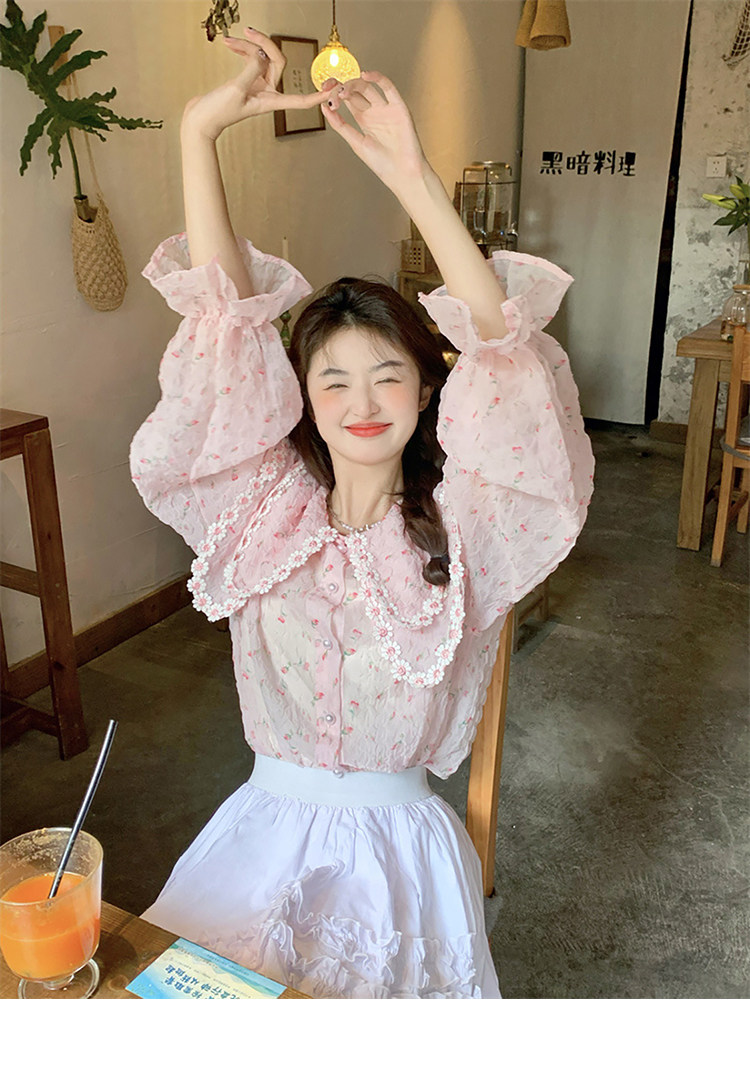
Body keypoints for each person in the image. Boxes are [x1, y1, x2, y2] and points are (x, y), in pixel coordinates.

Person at [130, 28, 594, 999]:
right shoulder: (260, 513)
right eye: (332, 378)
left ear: (427, 391)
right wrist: (197, 135)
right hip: (258, 839)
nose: (363, 400)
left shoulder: (464, 529)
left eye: (389, 373)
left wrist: (416, 179)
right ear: (299, 398)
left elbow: (503, 353)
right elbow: (222, 328)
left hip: (400, 860)